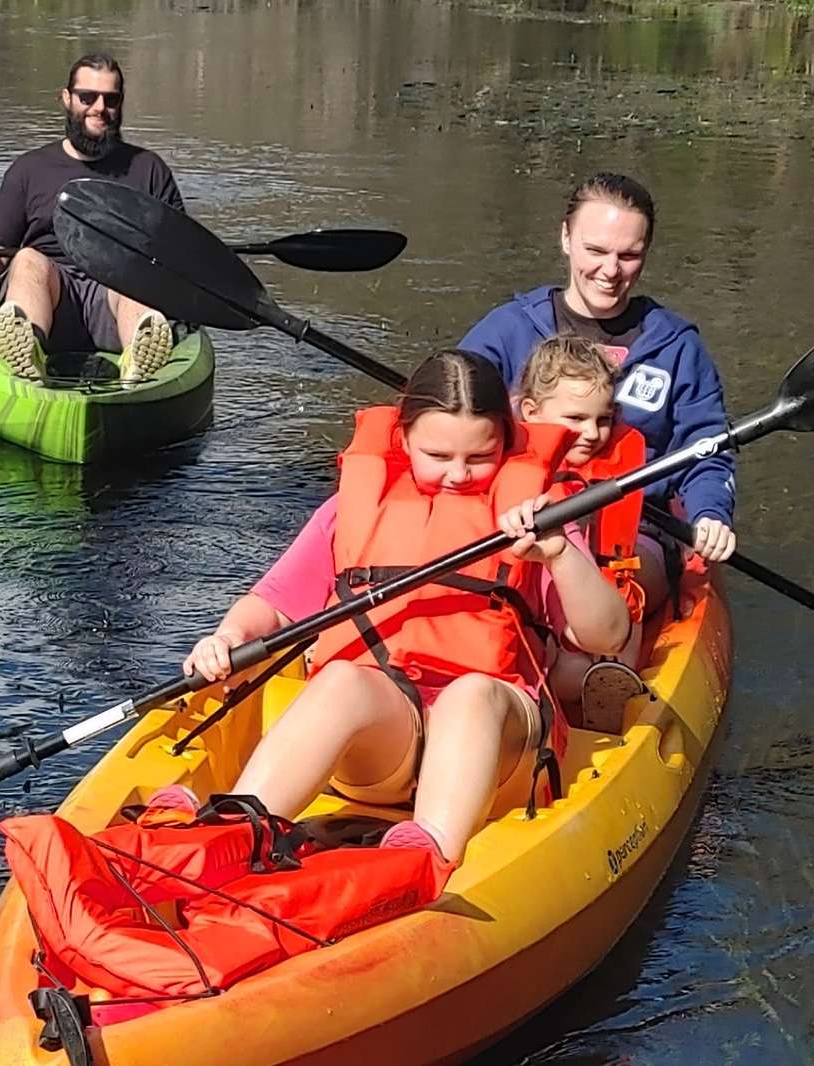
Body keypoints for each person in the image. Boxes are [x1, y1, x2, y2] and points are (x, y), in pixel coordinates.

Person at [150, 349, 633, 871]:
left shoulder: (539, 516)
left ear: (508, 443)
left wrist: (559, 553)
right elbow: (273, 603)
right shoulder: (354, 507)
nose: (458, 474)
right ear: (403, 440)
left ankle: (425, 858)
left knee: (470, 696)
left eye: (479, 457)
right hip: (385, 742)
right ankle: (236, 831)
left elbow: (606, 636)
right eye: (438, 455)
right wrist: (225, 638)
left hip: (498, 744)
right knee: (339, 680)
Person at [457, 173, 737, 615]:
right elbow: (451, 420)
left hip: (633, 529)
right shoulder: (506, 330)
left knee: (605, 577)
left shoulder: (678, 346)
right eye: (596, 250)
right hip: (517, 520)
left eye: (629, 256)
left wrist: (710, 513)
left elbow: (707, 451)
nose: (610, 271)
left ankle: (599, 656)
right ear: (566, 238)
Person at [0, 54, 182, 384]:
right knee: (27, 258)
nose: (99, 108)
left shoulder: (149, 169)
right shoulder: (28, 170)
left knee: (134, 265)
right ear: (67, 99)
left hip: (117, 305)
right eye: (88, 97)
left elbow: (181, 258)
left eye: (110, 99)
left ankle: (138, 359)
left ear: (121, 103)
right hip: (52, 306)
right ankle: (27, 349)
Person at [513, 335, 653, 730]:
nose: (593, 433)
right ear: (530, 411)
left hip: (595, 604)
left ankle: (614, 688)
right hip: (537, 611)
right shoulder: (501, 464)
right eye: (576, 419)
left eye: (604, 419)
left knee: (626, 596)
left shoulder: (614, 464)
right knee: (565, 669)